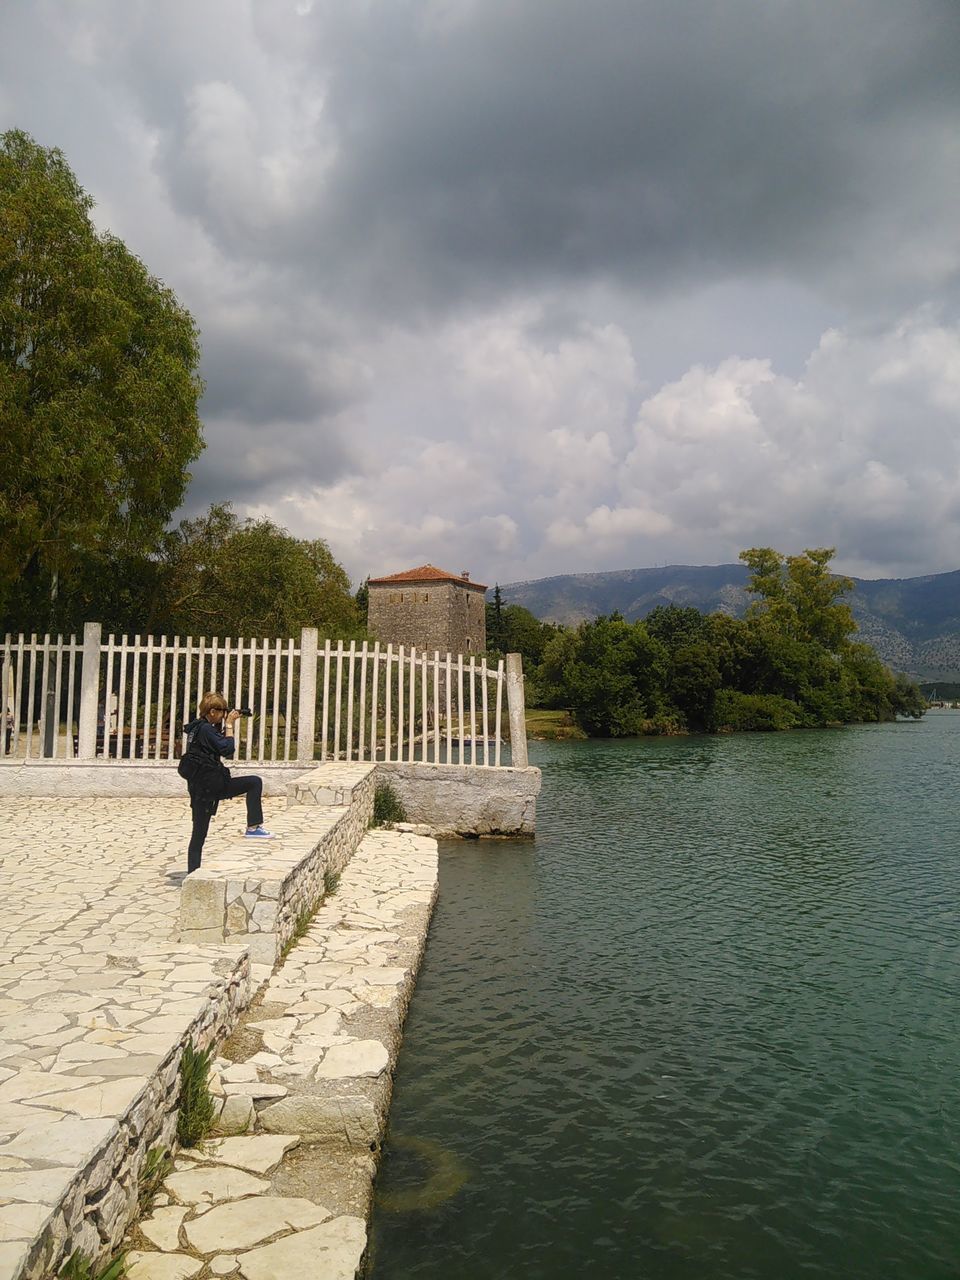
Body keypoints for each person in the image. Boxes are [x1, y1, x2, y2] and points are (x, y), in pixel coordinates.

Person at [183, 691, 276, 874]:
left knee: (198, 834)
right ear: (212, 712)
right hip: (212, 786)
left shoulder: (197, 727)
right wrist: (230, 725)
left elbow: (213, 744)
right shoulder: (207, 729)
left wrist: (226, 724)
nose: (224, 714)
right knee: (254, 783)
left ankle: (192, 873)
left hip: (199, 786)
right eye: (222, 711)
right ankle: (253, 827)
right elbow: (228, 749)